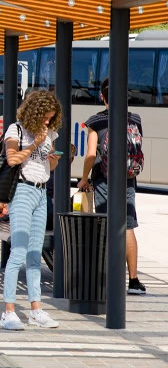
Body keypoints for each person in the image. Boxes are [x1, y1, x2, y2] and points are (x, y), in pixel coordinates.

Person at [0, 90, 63, 331]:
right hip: (23, 191)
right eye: (45, 117)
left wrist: (53, 157)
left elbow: (50, 165)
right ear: (34, 113)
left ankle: (36, 310)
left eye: (51, 118)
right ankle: (8, 311)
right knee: (19, 251)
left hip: (41, 191)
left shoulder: (50, 134)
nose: (48, 122)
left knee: (35, 255)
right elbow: (12, 159)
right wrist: (36, 142)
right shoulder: (16, 130)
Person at [79, 78, 146, 296]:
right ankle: (133, 281)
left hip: (103, 179)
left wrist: (83, 178)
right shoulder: (135, 119)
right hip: (127, 179)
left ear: (102, 96)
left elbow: (90, 154)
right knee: (128, 227)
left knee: (106, 225)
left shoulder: (95, 121)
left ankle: (105, 278)